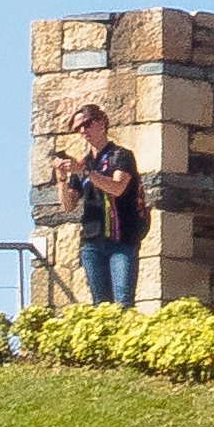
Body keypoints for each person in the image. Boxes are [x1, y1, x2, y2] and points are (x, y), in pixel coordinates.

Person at [49, 103, 146, 307]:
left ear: (101, 122)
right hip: (92, 241)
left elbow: (117, 187)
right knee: (100, 306)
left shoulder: (120, 155)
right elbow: (68, 205)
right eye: (78, 129)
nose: (83, 131)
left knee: (122, 304)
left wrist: (85, 173)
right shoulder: (84, 163)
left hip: (122, 238)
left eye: (86, 124)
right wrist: (62, 178)